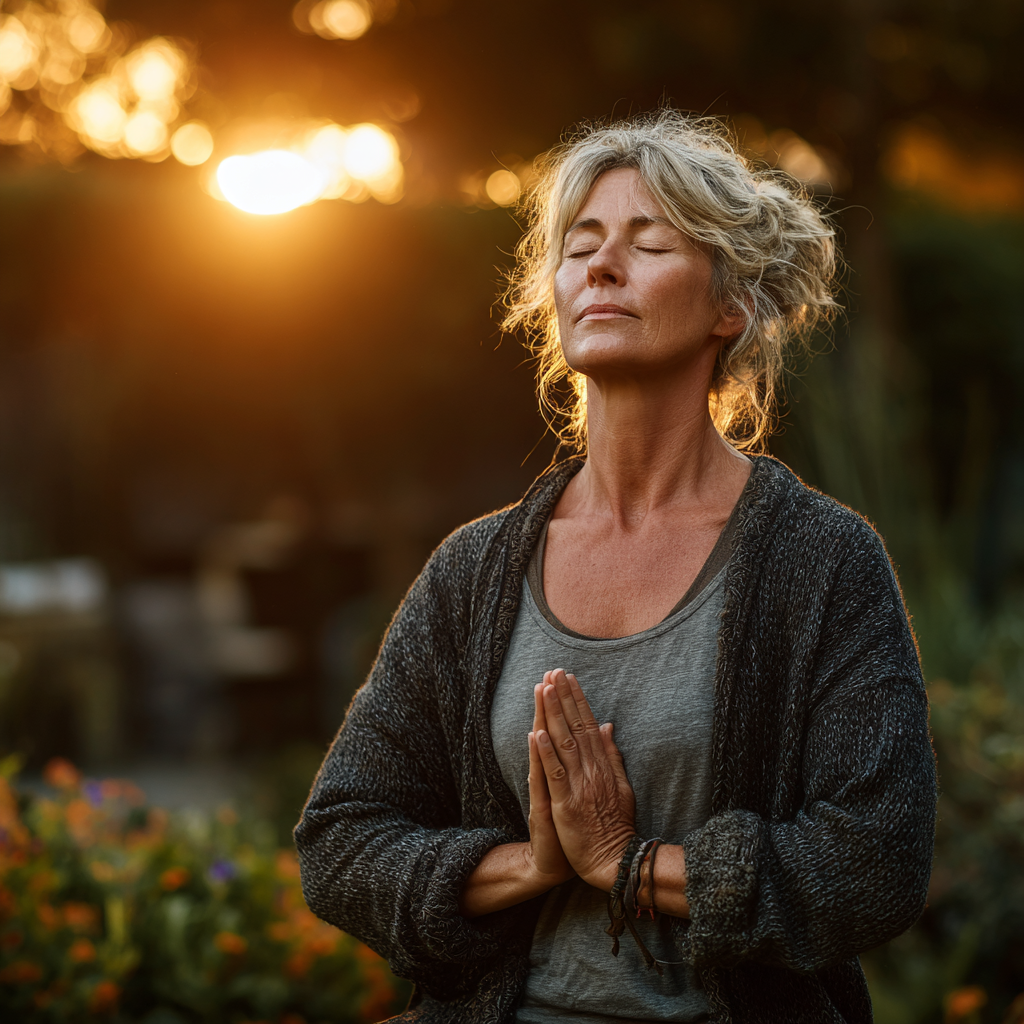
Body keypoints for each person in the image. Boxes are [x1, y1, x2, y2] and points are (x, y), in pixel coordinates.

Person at [294, 110, 936, 1023]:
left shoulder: (822, 562)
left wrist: (630, 866)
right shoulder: (473, 570)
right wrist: (533, 865)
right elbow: (341, 840)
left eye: (649, 242)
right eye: (580, 245)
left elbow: (875, 861)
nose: (599, 266)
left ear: (731, 305)